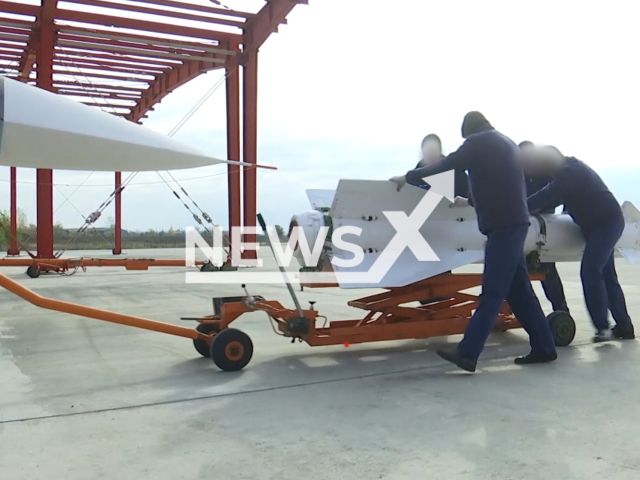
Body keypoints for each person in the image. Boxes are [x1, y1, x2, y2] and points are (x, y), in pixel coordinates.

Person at [389, 111, 557, 372]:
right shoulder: (505, 143)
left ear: (468, 131)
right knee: (520, 292)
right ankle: (545, 347)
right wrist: (468, 201)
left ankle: (468, 353)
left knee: (492, 292)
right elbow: (500, 185)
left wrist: (408, 177)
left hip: (503, 228)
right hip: (514, 223)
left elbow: (448, 164)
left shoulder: (479, 142)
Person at [524, 145, 635, 342]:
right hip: (596, 227)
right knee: (607, 276)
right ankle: (624, 327)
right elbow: (554, 197)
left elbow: (549, 194)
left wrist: (520, 208)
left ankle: (603, 328)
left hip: (607, 224)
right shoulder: (569, 171)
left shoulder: (569, 172)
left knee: (591, 271)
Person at [518, 140, 570, 315]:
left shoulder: (544, 175)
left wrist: (564, 216)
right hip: (524, 228)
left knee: (547, 271)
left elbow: (562, 195)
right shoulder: (518, 176)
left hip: (544, 230)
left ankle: (561, 310)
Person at [415, 133, 470, 198]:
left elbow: (470, 200)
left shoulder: (457, 175)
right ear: (422, 152)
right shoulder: (414, 178)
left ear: (440, 151)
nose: (430, 155)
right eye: (427, 151)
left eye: (433, 151)